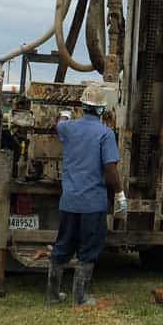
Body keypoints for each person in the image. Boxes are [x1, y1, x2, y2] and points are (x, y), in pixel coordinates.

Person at [47, 84, 123, 307]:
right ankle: (80, 298)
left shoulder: (69, 129)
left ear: (83, 105)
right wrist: (119, 194)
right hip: (93, 204)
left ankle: (52, 296)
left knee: (62, 245)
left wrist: (64, 114)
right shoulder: (105, 134)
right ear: (101, 109)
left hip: (69, 201)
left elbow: (58, 125)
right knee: (88, 249)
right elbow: (110, 169)